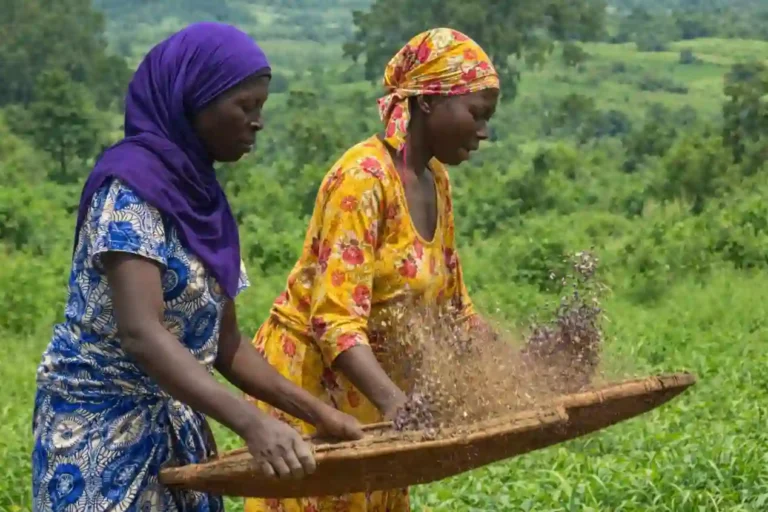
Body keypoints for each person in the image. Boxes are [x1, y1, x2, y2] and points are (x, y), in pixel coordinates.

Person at [31, 22, 363, 512]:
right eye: (245, 107)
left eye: (261, 108)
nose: (257, 122)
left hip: (176, 423)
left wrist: (316, 414)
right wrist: (250, 424)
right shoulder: (131, 189)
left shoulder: (200, 198)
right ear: (194, 101)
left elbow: (225, 345)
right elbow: (142, 333)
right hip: (100, 432)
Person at [244, 27, 501, 512]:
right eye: (477, 114)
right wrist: (397, 405)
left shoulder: (435, 181)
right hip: (312, 395)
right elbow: (335, 323)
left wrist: (516, 369)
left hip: (375, 397)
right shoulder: (362, 180)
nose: (483, 132)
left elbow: (454, 310)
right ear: (427, 102)